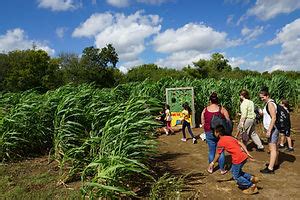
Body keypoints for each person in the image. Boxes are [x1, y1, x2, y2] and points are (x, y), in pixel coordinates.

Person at [208, 125, 259, 195]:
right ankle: (252, 178)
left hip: (238, 159)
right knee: (235, 171)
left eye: (214, 132)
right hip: (243, 156)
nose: (214, 133)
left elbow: (217, 154)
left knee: (236, 176)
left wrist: (212, 163)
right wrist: (247, 153)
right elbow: (240, 143)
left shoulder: (220, 142)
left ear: (218, 133)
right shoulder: (230, 137)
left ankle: (251, 186)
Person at [201, 92, 229, 175]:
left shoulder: (205, 109)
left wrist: (205, 127)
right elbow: (228, 120)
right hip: (220, 132)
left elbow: (202, 121)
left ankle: (211, 168)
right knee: (221, 151)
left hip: (209, 132)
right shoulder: (221, 109)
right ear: (217, 100)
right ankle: (222, 169)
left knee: (211, 151)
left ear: (210, 100)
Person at [259, 87, 279, 174]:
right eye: (260, 97)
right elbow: (268, 114)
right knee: (274, 147)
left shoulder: (270, 104)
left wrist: (269, 130)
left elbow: (274, 117)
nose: (261, 99)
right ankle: (275, 163)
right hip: (272, 128)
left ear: (267, 96)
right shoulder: (268, 103)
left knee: (272, 148)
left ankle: (270, 169)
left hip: (273, 129)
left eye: (263, 97)